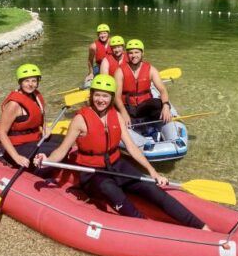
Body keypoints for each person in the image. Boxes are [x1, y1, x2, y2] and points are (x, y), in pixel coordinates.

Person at [34, 74, 210, 230]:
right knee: (115, 194)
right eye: (97, 95)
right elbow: (62, 150)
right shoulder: (80, 120)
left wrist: (153, 172)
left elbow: (132, 148)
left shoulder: (116, 116)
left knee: (153, 190)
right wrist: (46, 158)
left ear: (111, 98)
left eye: (105, 96)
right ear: (91, 95)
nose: (100, 100)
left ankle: (201, 227)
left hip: (117, 165)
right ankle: (148, 229)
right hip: (93, 174)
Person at [0, 63, 58, 171]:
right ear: (20, 82)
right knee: (54, 149)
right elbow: (2, 133)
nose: (30, 84)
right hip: (19, 145)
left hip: (35, 138)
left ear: (38, 82)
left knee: (64, 142)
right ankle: (39, 174)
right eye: (26, 81)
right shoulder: (14, 105)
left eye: (34, 81)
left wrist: (45, 128)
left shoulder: (36, 96)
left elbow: (40, 118)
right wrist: (16, 157)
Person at [114, 39, 172, 128]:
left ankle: (159, 125)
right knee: (115, 112)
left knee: (159, 103)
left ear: (142, 53)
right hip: (127, 107)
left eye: (136, 52)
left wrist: (166, 106)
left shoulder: (151, 69)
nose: (134, 55)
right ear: (127, 54)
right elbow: (117, 97)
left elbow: (162, 90)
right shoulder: (120, 71)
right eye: (130, 53)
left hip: (144, 105)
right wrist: (124, 113)